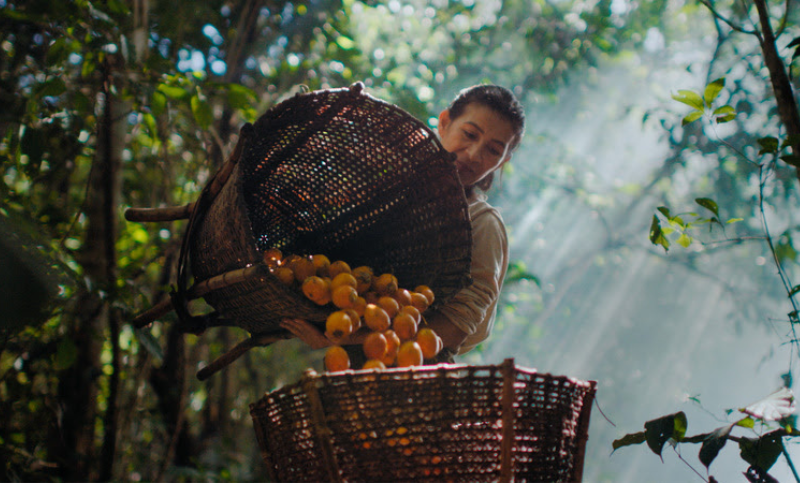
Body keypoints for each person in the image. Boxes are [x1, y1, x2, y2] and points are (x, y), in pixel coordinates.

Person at [281, 84, 525, 363]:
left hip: (415, 380)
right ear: (444, 123)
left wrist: (341, 336)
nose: (474, 154)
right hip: (349, 369)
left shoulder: (482, 225)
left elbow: (452, 330)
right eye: (469, 134)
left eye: (493, 150)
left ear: (503, 160)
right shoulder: (388, 191)